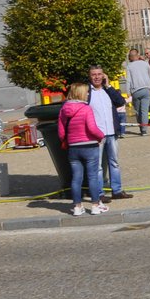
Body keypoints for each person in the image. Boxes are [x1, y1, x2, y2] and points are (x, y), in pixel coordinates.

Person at [57, 82, 108, 216]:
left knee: (76, 178)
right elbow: (92, 128)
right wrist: (101, 136)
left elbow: (61, 132)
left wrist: (67, 140)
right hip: (89, 145)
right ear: (80, 93)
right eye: (86, 92)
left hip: (73, 147)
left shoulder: (64, 109)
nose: (88, 94)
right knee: (92, 177)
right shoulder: (86, 109)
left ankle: (77, 207)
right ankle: (95, 205)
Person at [87, 65, 131, 201]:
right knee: (98, 166)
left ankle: (116, 191)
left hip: (111, 132)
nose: (97, 77)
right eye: (94, 74)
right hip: (96, 135)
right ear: (90, 76)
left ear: (103, 75)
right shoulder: (87, 93)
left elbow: (120, 102)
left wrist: (109, 86)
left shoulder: (108, 90)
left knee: (114, 162)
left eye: (99, 74)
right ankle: (99, 193)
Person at [124, 49, 150, 135]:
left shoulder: (129, 66)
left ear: (130, 57)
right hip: (146, 89)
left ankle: (141, 127)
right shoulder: (145, 64)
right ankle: (144, 130)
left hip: (135, 90)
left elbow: (128, 80)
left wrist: (128, 91)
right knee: (144, 111)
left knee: (138, 111)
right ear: (138, 55)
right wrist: (149, 86)